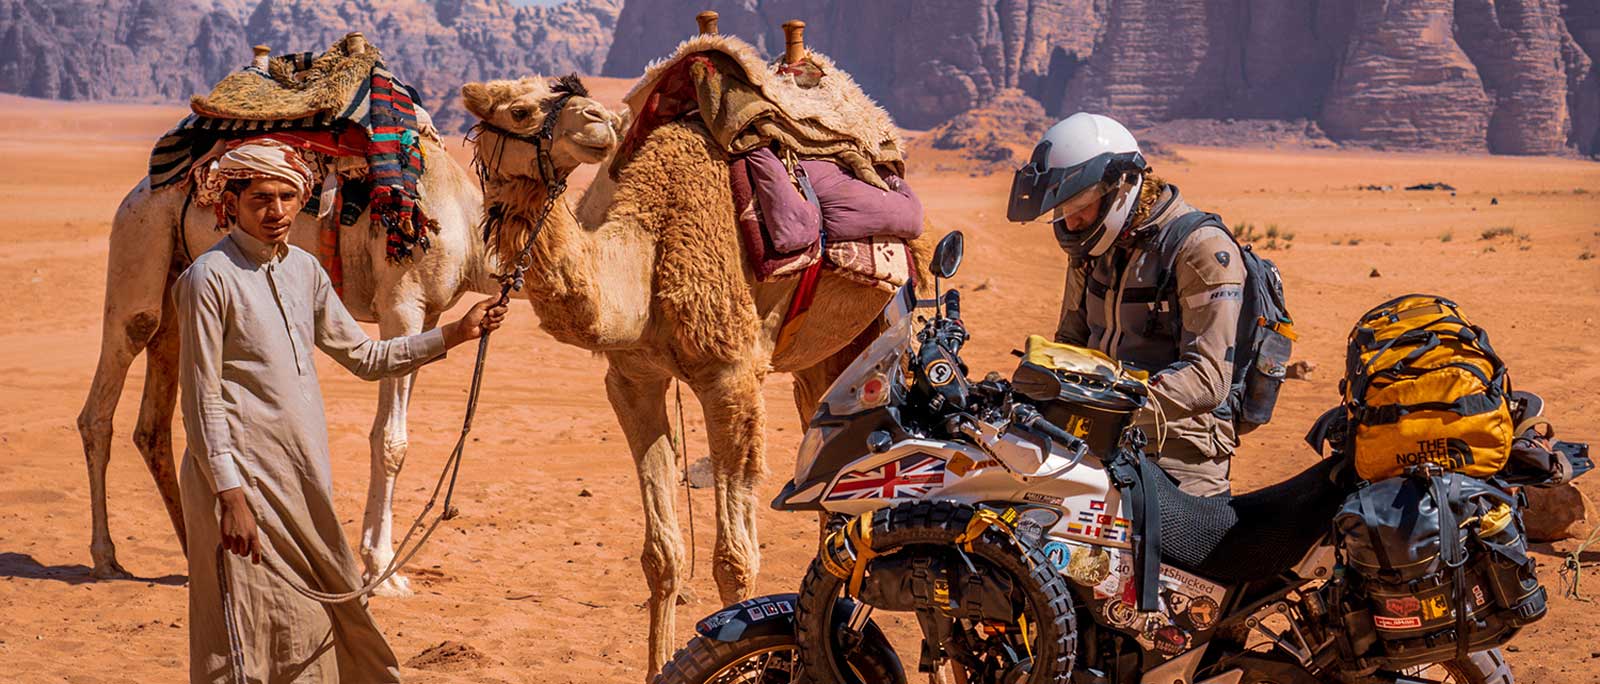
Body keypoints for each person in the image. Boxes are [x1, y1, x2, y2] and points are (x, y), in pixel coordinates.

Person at [176, 139, 508, 682]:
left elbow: (365, 357)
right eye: (261, 198)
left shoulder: (304, 270)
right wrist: (228, 496)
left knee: (315, 622)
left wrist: (454, 333)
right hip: (238, 482)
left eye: (287, 196)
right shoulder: (208, 280)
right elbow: (201, 397)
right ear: (230, 201)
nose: (277, 211)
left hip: (302, 477)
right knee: (242, 630)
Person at [1007, 113, 1245, 496]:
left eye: (1080, 203)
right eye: (1062, 208)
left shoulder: (1200, 249)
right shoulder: (1092, 247)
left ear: (1122, 187)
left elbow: (1209, 378)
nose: (1071, 222)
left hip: (1180, 450)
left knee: (1170, 554)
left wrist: (1105, 403)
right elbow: (1071, 340)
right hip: (1098, 435)